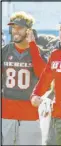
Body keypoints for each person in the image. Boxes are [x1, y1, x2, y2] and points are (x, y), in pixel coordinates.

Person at [1, 11, 48, 145]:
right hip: (6, 112)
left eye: (20, 28)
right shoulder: (4, 51)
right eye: (13, 27)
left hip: (29, 114)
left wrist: (32, 46)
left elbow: (43, 76)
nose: (15, 31)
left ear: (29, 31)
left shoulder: (38, 51)